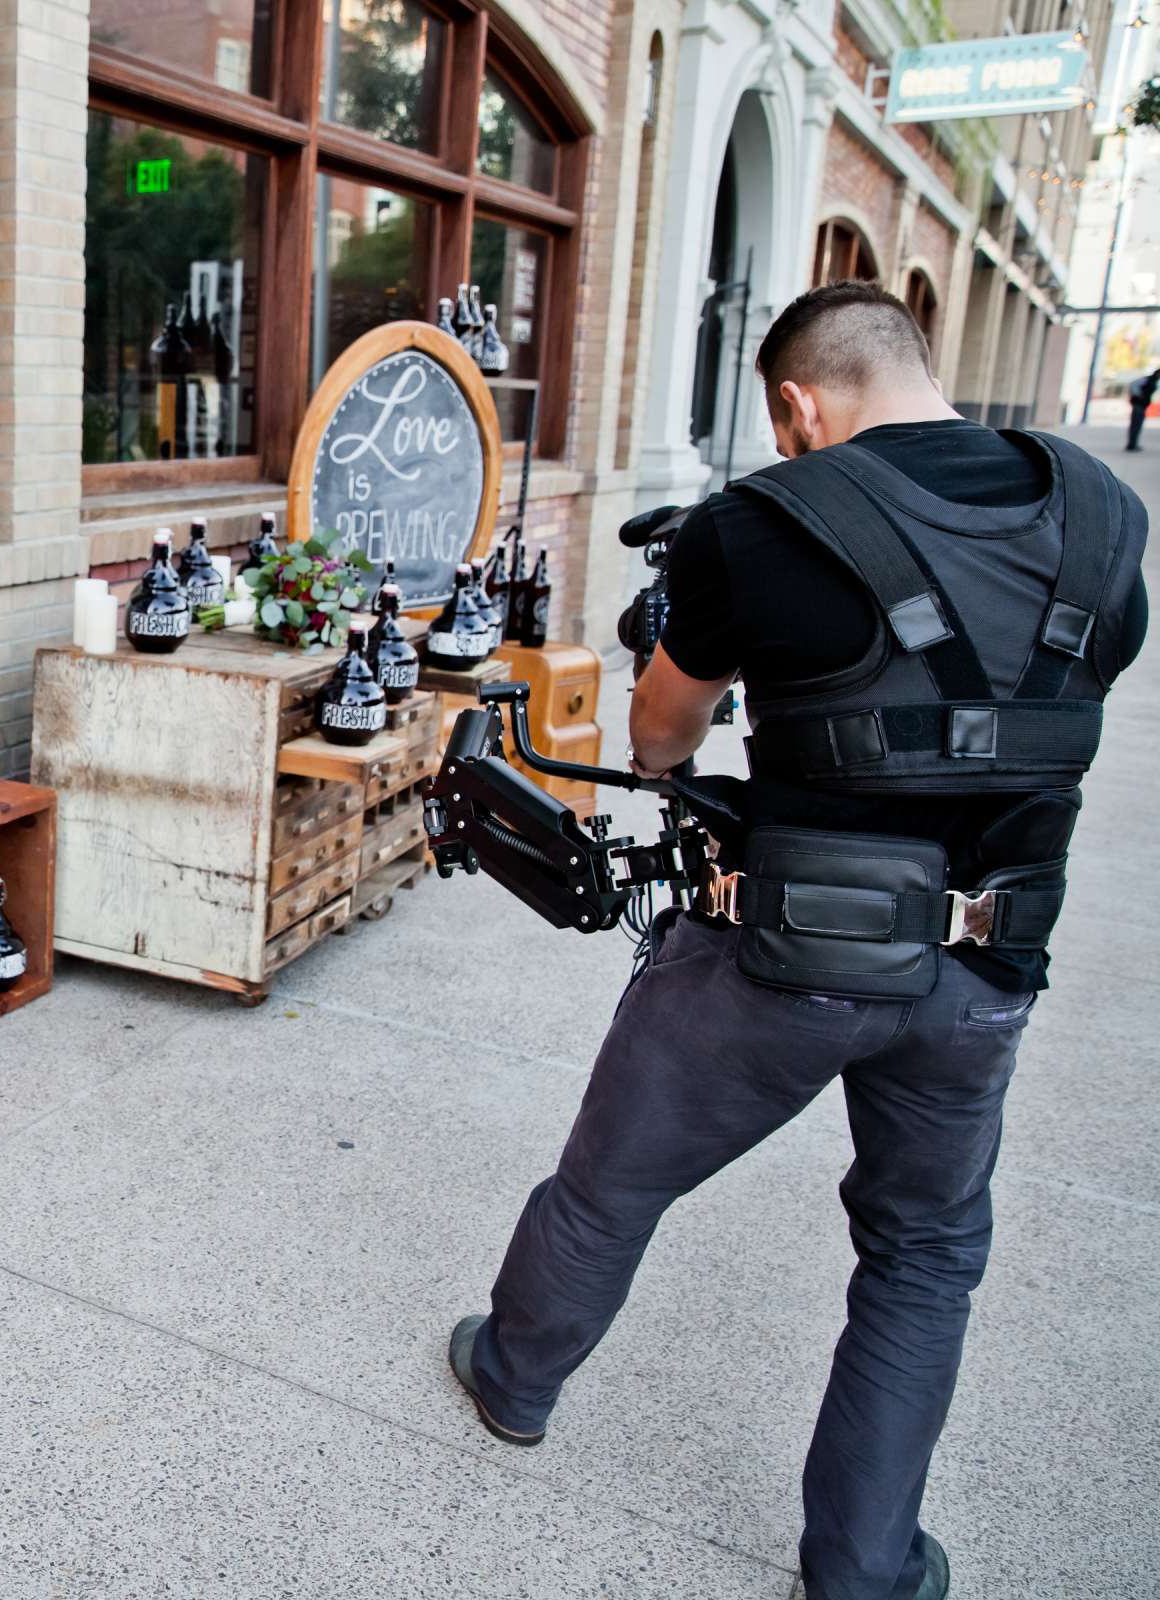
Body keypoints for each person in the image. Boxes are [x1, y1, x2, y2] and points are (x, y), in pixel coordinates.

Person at [446, 281, 1148, 1600]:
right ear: (920, 365)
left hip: (774, 958)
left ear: (796, 405)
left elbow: (657, 740)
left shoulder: (756, 527)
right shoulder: (1107, 521)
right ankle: (864, 1569)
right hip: (989, 965)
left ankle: (513, 1375)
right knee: (926, 1257)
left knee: (611, 1185)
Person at [1124, 365, 1158, 451]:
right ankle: (1131, 445)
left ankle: (1133, 444)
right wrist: (1139, 395)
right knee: (1136, 425)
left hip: (1142, 405)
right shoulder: (1147, 379)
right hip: (1138, 405)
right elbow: (1133, 385)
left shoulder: (1153, 381)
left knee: (1137, 425)